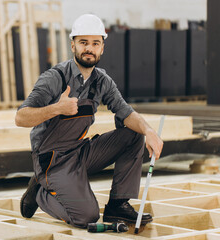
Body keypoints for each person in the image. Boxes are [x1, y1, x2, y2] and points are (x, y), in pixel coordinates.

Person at [15, 13, 163, 229]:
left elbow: (126, 112)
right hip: (52, 161)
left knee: (133, 134)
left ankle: (117, 205)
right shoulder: (54, 78)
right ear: (73, 45)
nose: (89, 48)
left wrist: (149, 131)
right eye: (83, 42)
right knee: (87, 217)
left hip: (79, 152)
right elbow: (21, 117)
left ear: (102, 47)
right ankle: (39, 192)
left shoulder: (102, 80)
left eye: (95, 43)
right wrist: (57, 108)